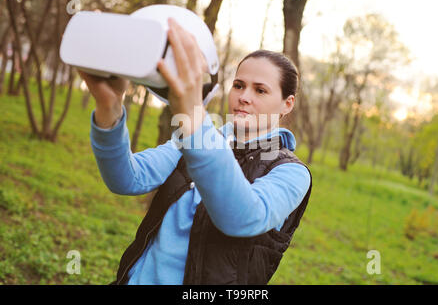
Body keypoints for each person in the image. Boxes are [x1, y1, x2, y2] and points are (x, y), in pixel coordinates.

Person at [79, 17, 312, 285]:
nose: (244, 97)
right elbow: (127, 178)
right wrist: (109, 106)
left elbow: (242, 218)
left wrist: (193, 118)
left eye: (260, 90)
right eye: (238, 85)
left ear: (287, 104)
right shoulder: (194, 137)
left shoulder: (291, 172)